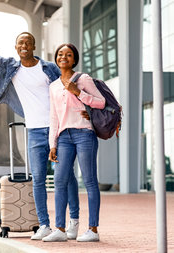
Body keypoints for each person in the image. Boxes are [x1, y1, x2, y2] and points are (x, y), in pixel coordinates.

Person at [0, 11, 82, 240]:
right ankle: (44, 225)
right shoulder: (10, 67)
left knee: (67, 176)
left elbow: (67, 90)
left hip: (57, 129)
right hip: (34, 132)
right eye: (21, 42)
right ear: (16, 47)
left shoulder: (48, 68)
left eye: (28, 42)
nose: (24, 45)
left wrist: (82, 109)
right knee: (38, 179)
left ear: (33, 46)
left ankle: (73, 223)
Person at [43, 43, 105, 242]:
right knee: (60, 181)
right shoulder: (53, 86)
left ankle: (93, 230)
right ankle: (60, 229)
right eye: (60, 54)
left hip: (84, 134)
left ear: (74, 59)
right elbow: (54, 117)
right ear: (56, 58)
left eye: (68, 55)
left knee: (89, 181)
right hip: (64, 138)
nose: (64, 57)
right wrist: (52, 144)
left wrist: (79, 93)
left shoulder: (83, 79)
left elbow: (101, 102)